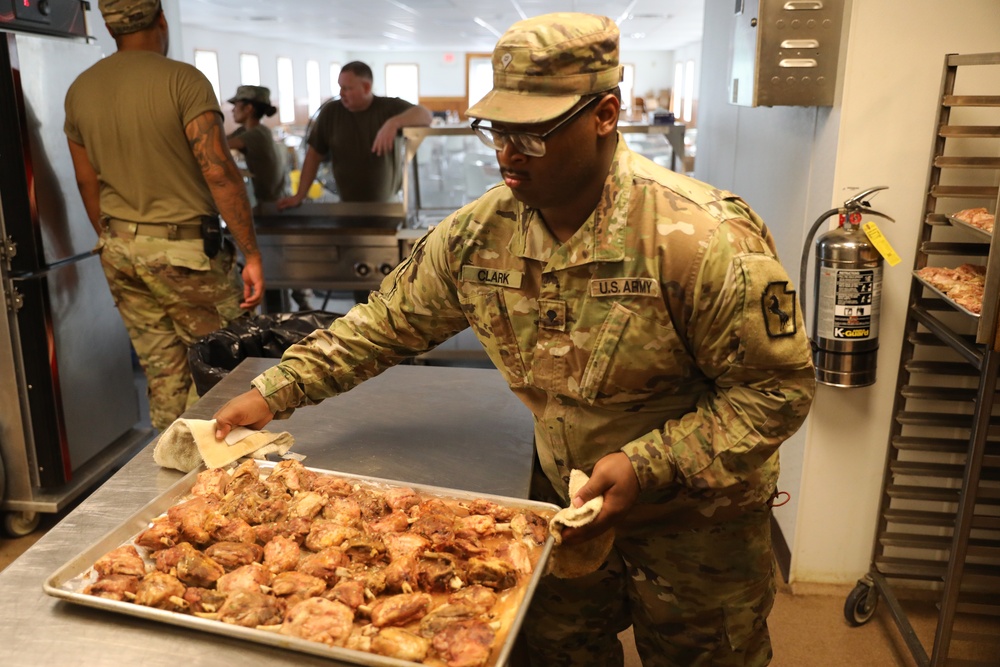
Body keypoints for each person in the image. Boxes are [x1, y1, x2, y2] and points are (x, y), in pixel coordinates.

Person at [214, 12, 815, 667]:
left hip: (699, 530)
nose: (507, 151)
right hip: (566, 507)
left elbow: (776, 391)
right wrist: (274, 389)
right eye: (497, 129)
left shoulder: (700, 240)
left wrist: (649, 464)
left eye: (533, 133)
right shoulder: (480, 235)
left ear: (605, 114)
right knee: (554, 653)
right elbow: (381, 326)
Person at [64, 0, 264, 431]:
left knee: (163, 367)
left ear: (108, 26)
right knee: (221, 363)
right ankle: (217, 476)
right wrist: (252, 255)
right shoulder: (183, 80)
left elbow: (86, 182)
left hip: (119, 251)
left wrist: (116, 238)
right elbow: (221, 174)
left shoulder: (80, 88)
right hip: (185, 253)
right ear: (160, 19)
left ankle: (172, 466)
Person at [276, 60, 432, 208]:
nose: (341, 93)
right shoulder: (330, 112)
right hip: (347, 205)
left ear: (366, 87)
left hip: (387, 205)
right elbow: (313, 155)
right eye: (340, 87)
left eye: (347, 88)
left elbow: (425, 115)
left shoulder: (388, 108)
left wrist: (393, 123)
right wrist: (300, 196)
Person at [226, 85, 287, 204]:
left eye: (236, 105)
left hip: (271, 205)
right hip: (267, 202)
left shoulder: (258, 133)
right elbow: (219, 139)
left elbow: (217, 145)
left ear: (248, 108)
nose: (232, 110)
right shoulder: (247, 130)